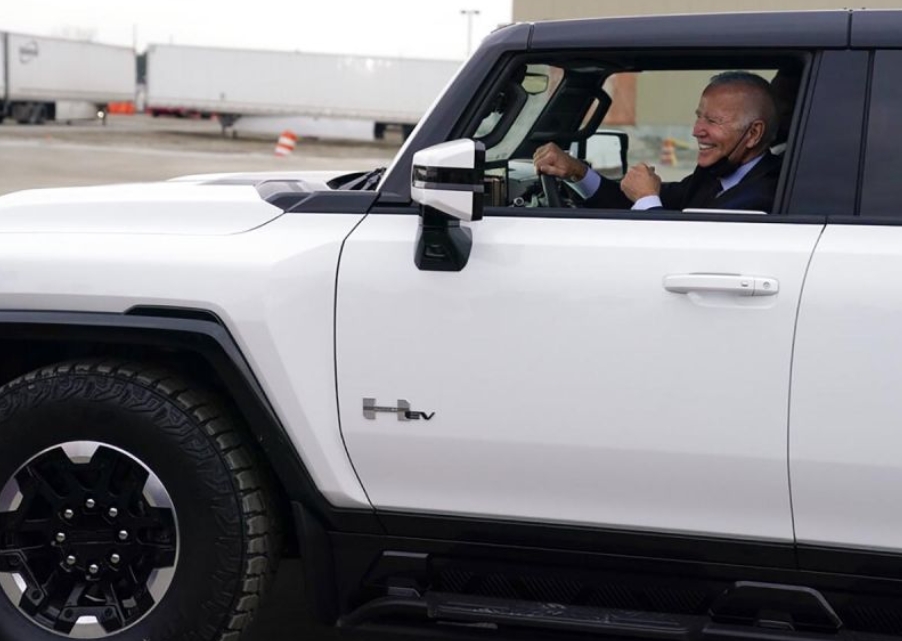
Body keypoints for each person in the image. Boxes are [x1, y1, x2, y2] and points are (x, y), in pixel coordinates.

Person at [532, 71, 781, 213]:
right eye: (698, 118)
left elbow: (680, 255)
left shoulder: (765, 196)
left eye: (713, 121)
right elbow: (627, 201)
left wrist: (647, 200)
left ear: (753, 134)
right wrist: (578, 172)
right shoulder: (714, 176)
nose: (696, 131)